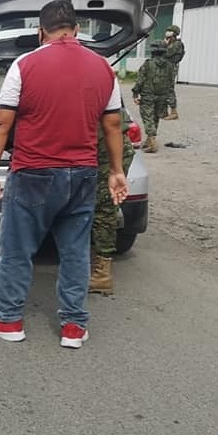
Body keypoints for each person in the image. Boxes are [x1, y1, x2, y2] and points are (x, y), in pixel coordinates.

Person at [0, 0, 128, 349]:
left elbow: (1, 121)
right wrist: (116, 171)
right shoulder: (103, 67)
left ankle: (8, 320)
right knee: (74, 252)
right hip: (84, 173)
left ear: (41, 31)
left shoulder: (24, 64)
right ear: (76, 30)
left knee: (15, 250)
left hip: (34, 173)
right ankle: (74, 326)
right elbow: (113, 123)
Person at [89, 105, 136, 295]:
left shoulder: (94, 80)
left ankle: (102, 274)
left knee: (103, 207)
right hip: (101, 147)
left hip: (107, 152)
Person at [132, 41, 175, 153]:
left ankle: (152, 142)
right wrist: (172, 103)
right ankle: (150, 140)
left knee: (148, 118)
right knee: (155, 118)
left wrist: (135, 93)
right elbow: (171, 85)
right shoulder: (170, 66)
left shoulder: (148, 64)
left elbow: (140, 80)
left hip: (148, 96)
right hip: (162, 96)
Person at [163, 24, 185, 120]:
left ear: (174, 34)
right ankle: (163, 111)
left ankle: (174, 112)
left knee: (169, 89)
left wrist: (164, 45)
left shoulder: (177, 44)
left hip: (171, 68)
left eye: (170, 33)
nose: (167, 34)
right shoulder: (170, 43)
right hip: (165, 67)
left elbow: (166, 53)